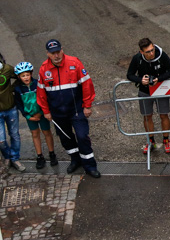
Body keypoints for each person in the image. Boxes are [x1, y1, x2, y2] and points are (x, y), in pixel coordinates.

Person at [37, 39, 101, 178]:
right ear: (47, 54)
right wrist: (46, 111)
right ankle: (75, 160)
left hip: (76, 109)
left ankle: (89, 166)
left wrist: (87, 105)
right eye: (53, 53)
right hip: (57, 113)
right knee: (65, 138)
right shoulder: (43, 69)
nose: (56, 55)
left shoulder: (74, 63)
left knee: (82, 136)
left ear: (62, 49)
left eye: (58, 51)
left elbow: (87, 85)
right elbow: (41, 92)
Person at [127, 37, 170, 154]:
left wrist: (159, 79)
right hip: (145, 90)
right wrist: (140, 80)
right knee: (147, 116)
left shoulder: (162, 55)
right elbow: (129, 75)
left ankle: (166, 140)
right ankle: (151, 141)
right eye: (148, 52)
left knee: (164, 115)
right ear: (141, 52)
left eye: (152, 49)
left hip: (161, 89)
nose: (151, 53)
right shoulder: (137, 58)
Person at [13, 62, 58, 169]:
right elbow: (19, 104)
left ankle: (52, 154)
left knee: (47, 132)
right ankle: (40, 156)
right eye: (23, 76)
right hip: (30, 116)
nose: (26, 77)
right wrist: (28, 116)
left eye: (27, 75)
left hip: (41, 113)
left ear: (31, 74)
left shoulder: (38, 84)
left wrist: (42, 112)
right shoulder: (18, 89)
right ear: (19, 77)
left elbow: (45, 99)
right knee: (35, 134)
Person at [0, 52, 23, 172]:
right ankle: (7, 156)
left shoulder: (7, 69)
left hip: (11, 109)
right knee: (1, 140)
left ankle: (15, 159)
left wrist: (12, 89)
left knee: (14, 135)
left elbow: (20, 76)